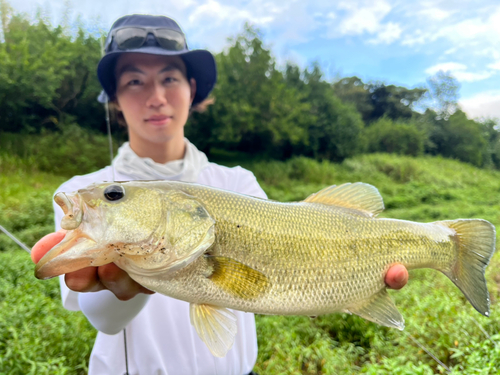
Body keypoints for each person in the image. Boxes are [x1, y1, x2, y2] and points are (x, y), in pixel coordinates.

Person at [31, 14, 409, 375]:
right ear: (113, 97)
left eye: (170, 79)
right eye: (134, 81)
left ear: (191, 89)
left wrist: (351, 282)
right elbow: (103, 319)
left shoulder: (237, 182)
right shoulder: (80, 191)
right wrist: (126, 284)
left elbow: (274, 278)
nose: (157, 97)